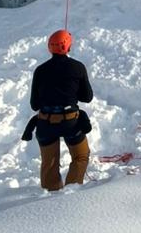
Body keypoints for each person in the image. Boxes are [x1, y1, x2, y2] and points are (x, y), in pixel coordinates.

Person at [27, 29, 94, 190]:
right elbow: (87, 97)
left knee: (49, 164)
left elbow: (34, 105)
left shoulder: (40, 70)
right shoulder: (77, 67)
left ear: (50, 48)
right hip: (71, 122)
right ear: (68, 46)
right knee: (81, 156)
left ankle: (52, 199)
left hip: (45, 123)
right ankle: (71, 192)